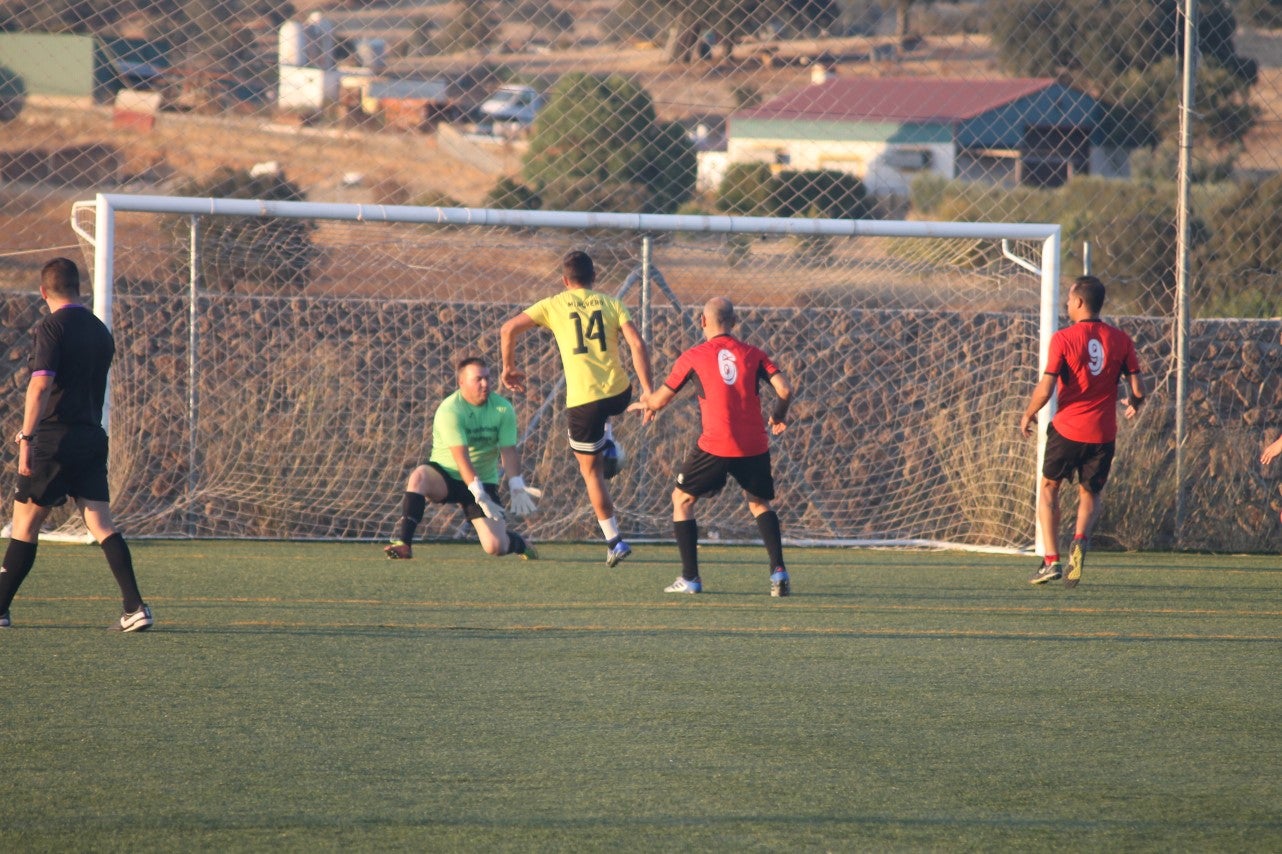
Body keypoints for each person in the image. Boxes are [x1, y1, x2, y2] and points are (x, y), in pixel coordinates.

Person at [0, 257, 152, 631]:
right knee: (101, 523)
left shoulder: (51, 328)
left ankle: (0, 608)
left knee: (25, 524)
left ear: (43, 292)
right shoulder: (100, 330)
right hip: (90, 437)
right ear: (78, 288)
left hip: (53, 440)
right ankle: (135, 607)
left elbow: (40, 385)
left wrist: (27, 437)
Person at [500, 250, 654, 567]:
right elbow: (637, 344)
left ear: (565, 280)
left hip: (584, 402)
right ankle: (606, 440)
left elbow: (508, 329)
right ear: (594, 277)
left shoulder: (554, 304)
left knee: (591, 472)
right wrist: (649, 392)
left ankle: (614, 541)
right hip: (620, 394)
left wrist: (508, 367)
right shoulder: (612, 303)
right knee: (605, 414)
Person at [631, 297, 793, 596]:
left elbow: (660, 400)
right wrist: (779, 415)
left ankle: (690, 578)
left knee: (681, 499)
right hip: (754, 444)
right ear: (734, 322)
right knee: (759, 504)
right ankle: (779, 571)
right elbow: (785, 389)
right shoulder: (754, 354)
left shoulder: (693, 357)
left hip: (715, 445)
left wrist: (647, 402)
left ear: (703, 321)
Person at [1020, 275, 1146, 588]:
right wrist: (1134, 403)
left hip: (1068, 429)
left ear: (1078, 302)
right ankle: (1079, 542)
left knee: (1049, 487)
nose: (1066, 304)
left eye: (1068, 300)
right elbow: (1138, 389)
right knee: (1090, 493)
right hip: (1103, 434)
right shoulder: (1121, 339)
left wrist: (1029, 413)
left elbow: (1047, 386)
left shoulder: (1063, 338)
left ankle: (1051, 560)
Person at [383, 357, 540, 561]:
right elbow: (461, 457)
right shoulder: (450, 410)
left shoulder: (503, 408)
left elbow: (508, 452)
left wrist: (516, 484)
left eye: (487, 378)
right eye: (478, 379)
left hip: (483, 480)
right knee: (419, 476)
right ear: (461, 382)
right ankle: (404, 543)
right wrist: (477, 491)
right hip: (447, 476)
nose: (485, 384)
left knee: (496, 546)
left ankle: (521, 543)